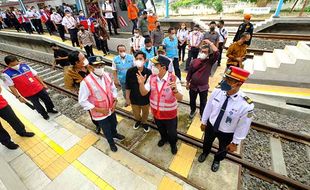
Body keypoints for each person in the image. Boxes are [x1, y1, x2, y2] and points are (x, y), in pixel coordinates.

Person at [198, 66, 254, 172]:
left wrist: (235, 142)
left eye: (229, 80)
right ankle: (205, 153)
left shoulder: (246, 105)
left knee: (223, 149)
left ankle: (217, 160)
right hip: (211, 125)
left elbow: (243, 126)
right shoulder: (218, 91)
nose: (224, 82)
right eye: (225, 78)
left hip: (227, 132)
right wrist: (204, 121)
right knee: (207, 141)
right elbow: (209, 107)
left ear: (239, 84)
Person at [137, 55, 183, 154]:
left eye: (155, 65)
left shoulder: (173, 79)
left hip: (170, 115)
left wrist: (175, 90)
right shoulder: (151, 78)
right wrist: (141, 83)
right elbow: (144, 93)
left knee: (172, 132)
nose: (152, 67)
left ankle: (173, 144)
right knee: (161, 129)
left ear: (163, 67)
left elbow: (180, 98)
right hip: (156, 113)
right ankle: (164, 139)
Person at [78, 58, 125, 152]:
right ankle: (111, 143)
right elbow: (82, 101)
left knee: (114, 123)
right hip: (100, 113)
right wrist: (99, 110)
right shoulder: (86, 82)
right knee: (106, 129)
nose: (100, 68)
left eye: (101, 65)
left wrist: (115, 101)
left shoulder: (106, 75)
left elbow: (113, 88)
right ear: (91, 67)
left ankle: (115, 134)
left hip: (111, 108)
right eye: (97, 66)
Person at [3, 55, 58, 120]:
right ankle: (44, 114)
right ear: (8, 65)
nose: (16, 66)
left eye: (17, 63)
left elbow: (35, 75)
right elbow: (11, 87)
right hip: (28, 93)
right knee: (37, 104)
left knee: (47, 99)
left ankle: (50, 109)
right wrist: (18, 97)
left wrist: (43, 84)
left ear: (18, 61)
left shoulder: (25, 66)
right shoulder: (6, 74)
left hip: (38, 87)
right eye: (13, 65)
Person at [186, 41, 219, 119]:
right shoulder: (194, 61)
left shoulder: (209, 61)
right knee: (192, 101)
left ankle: (202, 113)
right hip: (193, 86)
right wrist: (187, 83)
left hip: (203, 87)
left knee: (203, 102)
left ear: (208, 54)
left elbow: (216, 52)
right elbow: (189, 73)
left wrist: (210, 43)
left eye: (205, 52)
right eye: (202, 51)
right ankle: (192, 110)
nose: (203, 53)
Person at [125, 51, 152, 132]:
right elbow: (127, 86)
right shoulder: (130, 71)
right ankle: (138, 121)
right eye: (136, 59)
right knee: (136, 114)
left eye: (140, 59)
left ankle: (144, 122)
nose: (138, 60)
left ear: (144, 60)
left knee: (145, 113)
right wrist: (127, 98)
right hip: (134, 98)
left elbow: (150, 88)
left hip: (145, 98)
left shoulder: (148, 72)